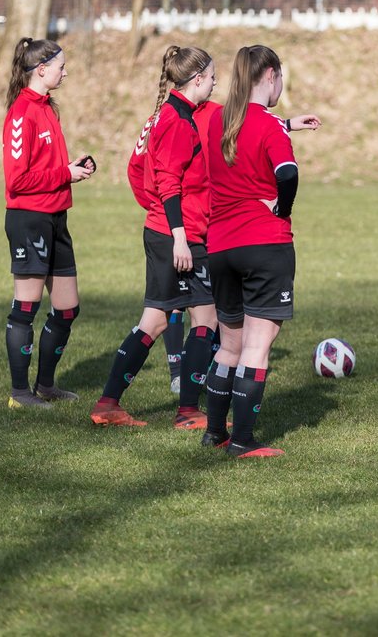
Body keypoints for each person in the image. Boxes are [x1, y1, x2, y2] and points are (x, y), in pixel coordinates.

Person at [91, 46, 219, 429]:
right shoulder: (178, 122)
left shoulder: (169, 114)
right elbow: (167, 181)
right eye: (212, 76)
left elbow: (139, 171)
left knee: (160, 319)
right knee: (201, 317)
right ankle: (187, 411)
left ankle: (109, 403)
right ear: (197, 79)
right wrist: (176, 232)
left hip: (166, 230)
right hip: (180, 236)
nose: (215, 82)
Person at [203, 45, 321, 457]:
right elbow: (287, 174)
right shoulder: (270, 128)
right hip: (264, 244)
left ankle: (214, 431)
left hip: (219, 247)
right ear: (270, 75)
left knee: (229, 345)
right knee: (257, 346)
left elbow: (245, 129)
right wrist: (282, 209)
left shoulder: (218, 120)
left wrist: (286, 123)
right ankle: (243, 441)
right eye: (281, 76)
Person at [2, 37, 96, 409]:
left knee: (68, 307)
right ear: (41, 70)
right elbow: (17, 180)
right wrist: (65, 174)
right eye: (61, 66)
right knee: (26, 306)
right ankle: (20, 393)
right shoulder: (21, 113)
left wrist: (73, 167)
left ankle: (45, 385)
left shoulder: (47, 110)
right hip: (29, 220)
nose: (65, 72)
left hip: (57, 217)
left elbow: (47, 168)